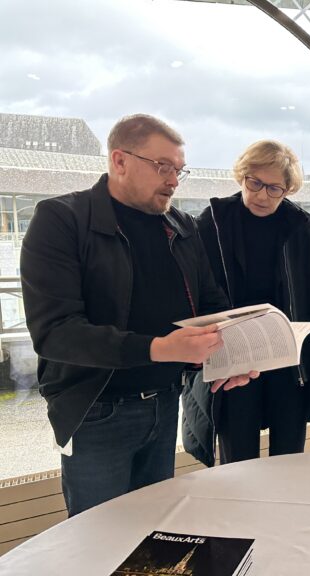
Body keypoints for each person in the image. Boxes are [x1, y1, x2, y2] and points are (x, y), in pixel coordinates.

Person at [20, 114, 257, 516]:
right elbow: (56, 333)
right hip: (97, 409)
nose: (174, 180)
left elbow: (210, 303)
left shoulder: (180, 226)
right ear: (119, 160)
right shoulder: (61, 220)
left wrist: (230, 354)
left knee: (152, 536)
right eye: (163, 166)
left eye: (179, 169)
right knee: (99, 539)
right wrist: (158, 349)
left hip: (165, 403)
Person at [182, 139, 310, 466]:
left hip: (287, 363)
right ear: (242, 176)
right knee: (237, 461)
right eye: (254, 183)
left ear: (288, 190)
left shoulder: (303, 229)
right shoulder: (213, 221)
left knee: (288, 461)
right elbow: (193, 290)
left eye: (274, 189)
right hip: (232, 359)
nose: (261, 195)